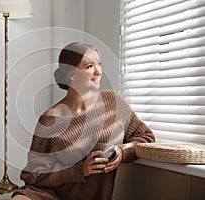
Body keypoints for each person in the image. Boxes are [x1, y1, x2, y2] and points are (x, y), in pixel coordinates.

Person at [11, 42, 155, 200]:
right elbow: (32, 175)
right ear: (71, 74)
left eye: (99, 64)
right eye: (89, 66)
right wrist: (80, 171)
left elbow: (146, 138)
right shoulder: (50, 119)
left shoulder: (113, 103)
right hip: (50, 195)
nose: (98, 72)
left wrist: (123, 152)